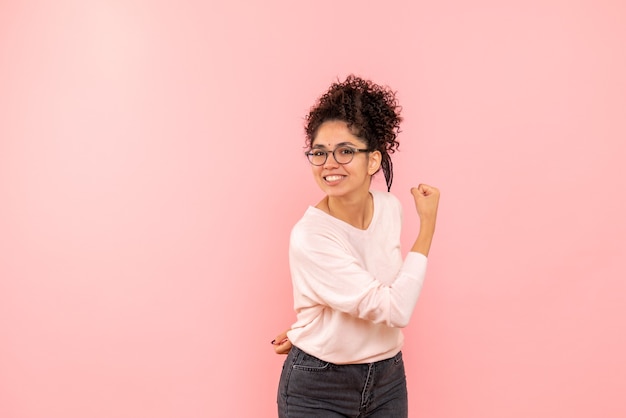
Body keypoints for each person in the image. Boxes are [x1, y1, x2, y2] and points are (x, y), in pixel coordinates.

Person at [273, 75, 439, 417]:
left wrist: (315, 325)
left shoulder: (390, 208)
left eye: (345, 151)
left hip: (388, 378)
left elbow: (375, 286)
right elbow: (395, 309)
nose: (329, 163)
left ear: (373, 161)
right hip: (318, 387)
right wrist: (428, 228)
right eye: (319, 153)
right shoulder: (311, 236)